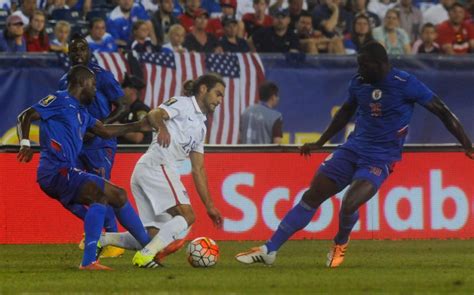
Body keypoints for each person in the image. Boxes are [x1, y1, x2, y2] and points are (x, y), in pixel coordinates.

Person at [235, 41, 473, 268]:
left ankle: (340, 242)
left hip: (380, 158)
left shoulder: (405, 82)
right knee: (312, 195)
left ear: (380, 64)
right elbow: (345, 113)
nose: (359, 70)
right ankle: (270, 250)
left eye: (363, 65)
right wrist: (320, 141)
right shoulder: (360, 82)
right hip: (352, 149)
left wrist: (467, 144)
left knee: (349, 203)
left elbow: (442, 111)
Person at [17, 65, 152, 270]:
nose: (96, 90)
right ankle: (91, 261)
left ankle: (149, 249)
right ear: (82, 83)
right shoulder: (59, 99)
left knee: (117, 196)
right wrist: (25, 143)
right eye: (93, 85)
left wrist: (137, 126)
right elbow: (25, 116)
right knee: (102, 195)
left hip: (64, 171)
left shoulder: (82, 112)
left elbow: (104, 131)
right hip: (55, 170)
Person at [95, 75, 224, 268]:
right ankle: (145, 256)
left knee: (152, 235)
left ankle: (103, 240)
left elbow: (198, 168)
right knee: (187, 217)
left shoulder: (201, 128)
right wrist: (162, 127)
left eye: (222, 96)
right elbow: (154, 114)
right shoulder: (183, 104)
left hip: (150, 170)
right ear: (203, 89)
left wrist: (210, 206)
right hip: (158, 165)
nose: (219, 100)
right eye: (218, 94)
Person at [59, 34, 129, 258]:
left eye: (82, 49)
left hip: (100, 144)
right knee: (74, 192)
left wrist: (101, 127)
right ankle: (97, 232)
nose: (78, 53)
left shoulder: (102, 76)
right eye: (74, 50)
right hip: (77, 144)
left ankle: (113, 239)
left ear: (89, 52)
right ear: (68, 54)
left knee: (101, 190)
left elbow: (123, 105)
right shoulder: (65, 80)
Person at [117, 74, 152, 145]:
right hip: (122, 153)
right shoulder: (124, 111)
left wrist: (118, 129)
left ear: (132, 91)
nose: (121, 91)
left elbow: (138, 138)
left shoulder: (141, 110)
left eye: (124, 88)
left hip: (137, 153)